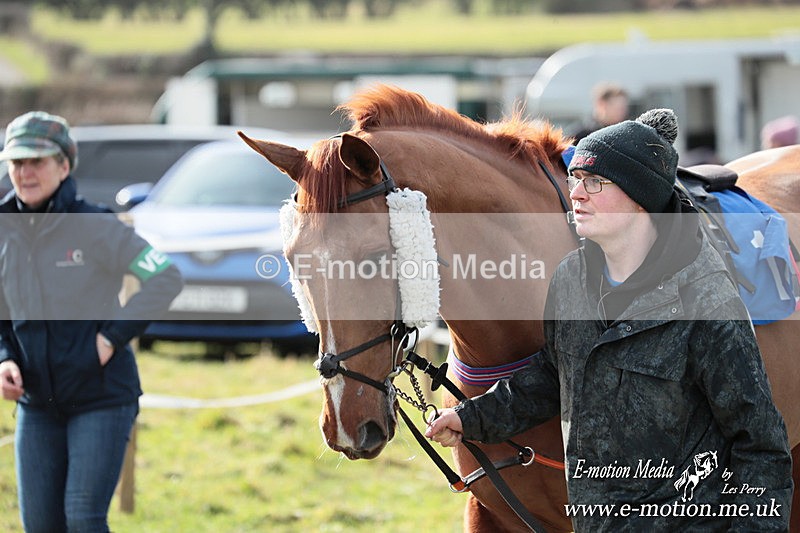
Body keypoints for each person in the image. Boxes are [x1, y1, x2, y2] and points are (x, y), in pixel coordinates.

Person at [426, 109, 793, 531]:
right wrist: (471, 418)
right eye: (576, 179)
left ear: (639, 198)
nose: (577, 194)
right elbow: (553, 375)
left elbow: (758, 442)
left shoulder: (705, 298)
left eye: (595, 182)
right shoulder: (572, 278)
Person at [0, 111, 183, 532]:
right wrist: (5, 357)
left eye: (36, 161)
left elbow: (165, 277)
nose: (25, 173)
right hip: (36, 404)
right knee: (40, 525)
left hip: (101, 398)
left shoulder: (97, 226)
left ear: (64, 166)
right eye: (17, 162)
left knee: (82, 518)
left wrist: (109, 339)